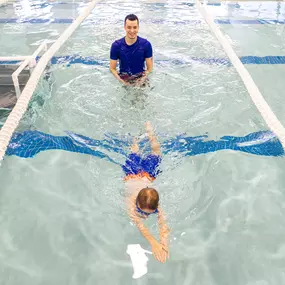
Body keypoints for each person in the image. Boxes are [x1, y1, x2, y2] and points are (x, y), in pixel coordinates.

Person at [123, 122, 170, 263]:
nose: (147, 215)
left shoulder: (153, 204)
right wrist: (153, 242)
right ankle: (143, 135)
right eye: (145, 212)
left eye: (149, 212)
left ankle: (148, 133)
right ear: (136, 201)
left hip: (143, 174)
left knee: (153, 152)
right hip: (134, 173)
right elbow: (139, 224)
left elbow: (163, 222)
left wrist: (164, 243)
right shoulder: (131, 201)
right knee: (146, 151)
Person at [110, 14, 153, 87]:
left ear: (138, 28)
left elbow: (149, 68)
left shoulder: (146, 45)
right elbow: (112, 69)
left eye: (135, 27)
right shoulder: (116, 45)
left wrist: (142, 80)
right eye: (129, 27)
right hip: (124, 78)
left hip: (141, 78)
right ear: (124, 27)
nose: (132, 30)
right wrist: (122, 82)